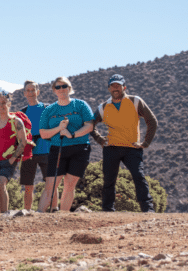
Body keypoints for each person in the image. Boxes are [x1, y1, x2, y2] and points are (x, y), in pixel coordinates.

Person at [90, 74, 159, 213]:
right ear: (109, 88)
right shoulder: (103, 107)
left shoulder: (135, 101)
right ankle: (108, 210)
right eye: (113, 85)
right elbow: (90, 124)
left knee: (139, 177)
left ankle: (148, 209)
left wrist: (145, 143)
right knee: (109, 180)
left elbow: (152, 121)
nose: (116, 88)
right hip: (111, 148)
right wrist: (100, 139)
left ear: (124, 87)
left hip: (132, 148)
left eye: (118, 85)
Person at [38, 77, 94, 212]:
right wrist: (58, 128)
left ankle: (63, 217)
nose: (61, 89)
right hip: (57, 149)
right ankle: (38, 215)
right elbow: (43, 134)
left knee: (69, 185)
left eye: (64, 86)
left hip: (79, 148)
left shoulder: (81, 105)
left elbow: (90, 126)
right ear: (54, 90)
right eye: (58, 87)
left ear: (70, 88)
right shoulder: (49, 110)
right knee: (51, 185)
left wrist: (73, 134)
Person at [0, 91, 27, 214]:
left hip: (8, 162)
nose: (1, 105)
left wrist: (13, 158)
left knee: (1, 184)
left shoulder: (16, 122)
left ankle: (4, 215)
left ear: (9, 104)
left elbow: (23, 142)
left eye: (4, 103)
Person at [19, 81, 54, 210]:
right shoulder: (22, 113)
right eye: (28, 90)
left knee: (51, 183)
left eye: (33, 90)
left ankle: (53, 210)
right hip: (29, 153)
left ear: (38, 92)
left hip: (47, 150)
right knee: (28, 186)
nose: (31, 93)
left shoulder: (47, 108)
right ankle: (27, 212)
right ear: (24, 93)